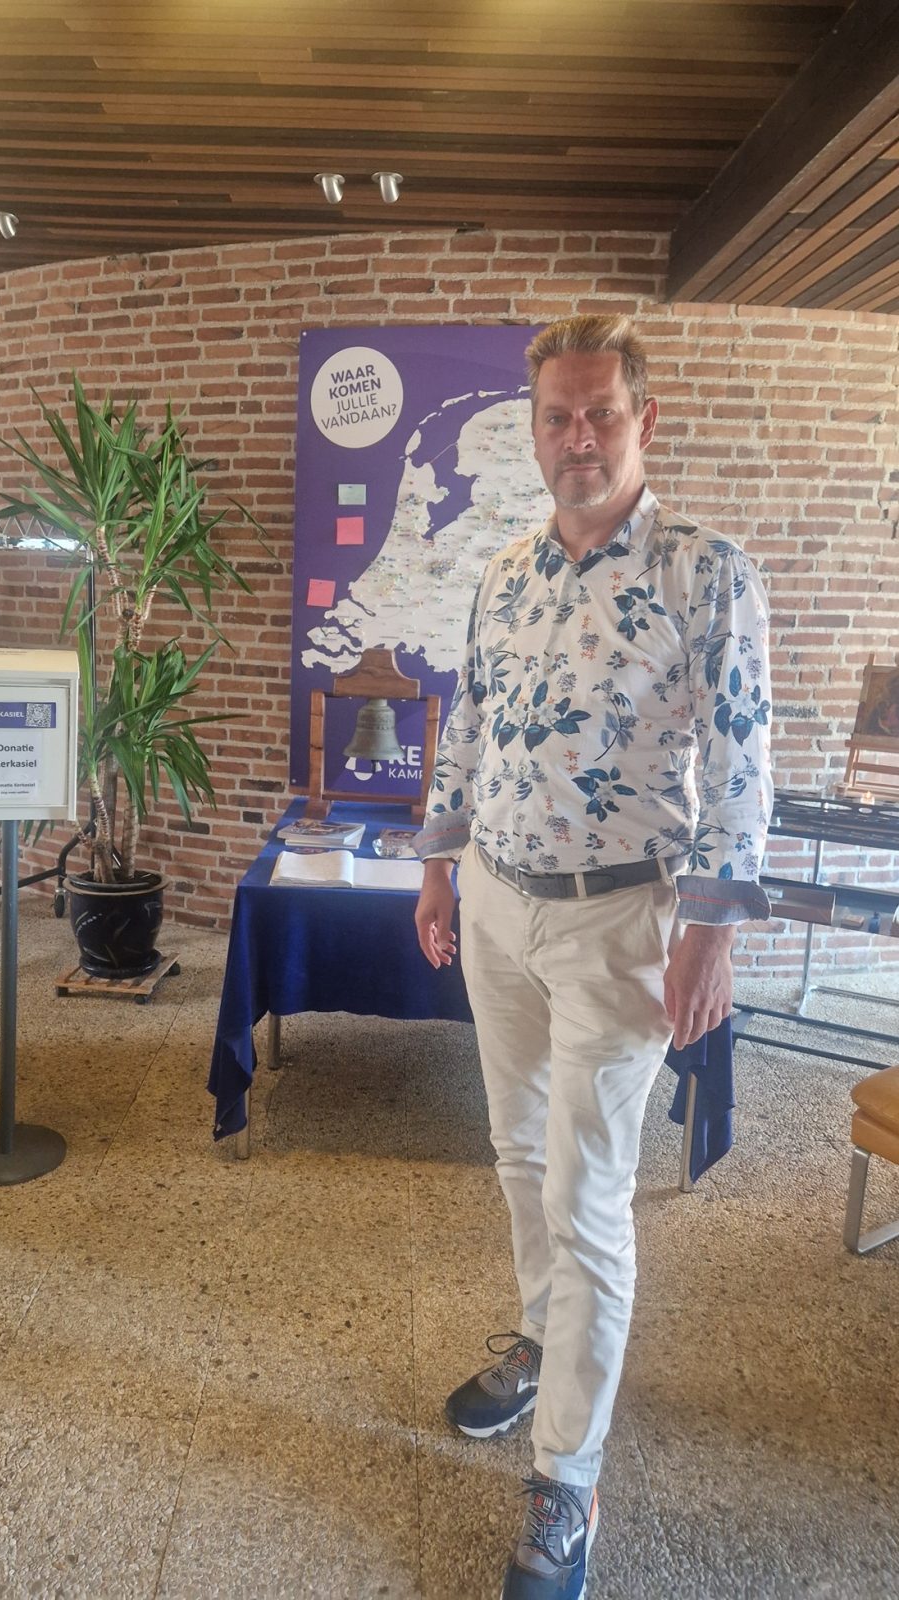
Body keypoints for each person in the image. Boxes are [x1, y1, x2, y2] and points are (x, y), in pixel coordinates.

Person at [412, 314, 773, 1600]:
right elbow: (466, 722)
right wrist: (438, 861)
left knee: (589, 1197)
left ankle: (569, 1476)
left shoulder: (706, 572)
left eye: (600, 414)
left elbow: (743, 766)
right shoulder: (504, 570)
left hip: (623, 925)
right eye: (557, 416)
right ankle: (538, 1336)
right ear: (534, 429)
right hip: (498, 905)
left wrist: (711, 933)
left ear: (643, 420)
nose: (577, 437)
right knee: (517, 1151)